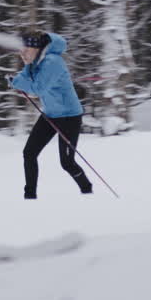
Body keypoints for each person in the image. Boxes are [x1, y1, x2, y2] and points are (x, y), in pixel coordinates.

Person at [9, 29, 92, 200]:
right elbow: (24, 78)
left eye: (25, 49)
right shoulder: (34, 62)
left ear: (37, 48)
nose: (22, 54)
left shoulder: (52, 62)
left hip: (69, 116)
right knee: (29, 153)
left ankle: (87, 190)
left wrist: (17, 83)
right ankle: (29, 196)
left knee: (67, 163)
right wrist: (15, 81)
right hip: (51, 114)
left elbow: (38, 88)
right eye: (20, 50)